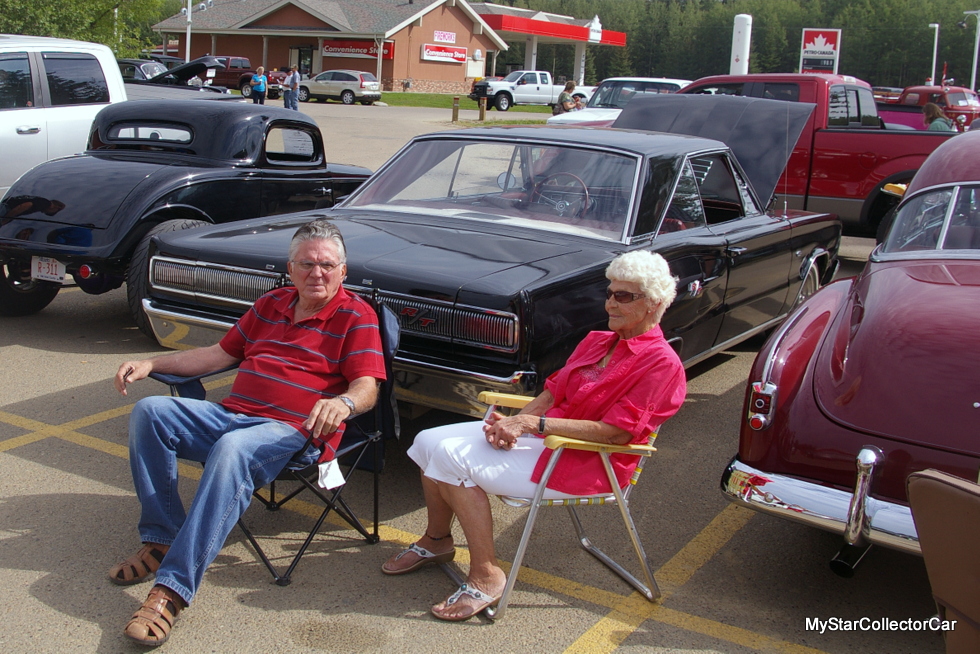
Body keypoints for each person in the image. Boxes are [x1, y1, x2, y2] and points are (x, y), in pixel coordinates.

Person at [109, 219, 386, 646]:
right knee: (151, 411)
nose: (318, 273)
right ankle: (163, 536)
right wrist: (152, 364)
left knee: (233, 448)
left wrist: (343, 403)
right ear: (289, 269)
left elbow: (367, 386)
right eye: (307, 264)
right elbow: (216, 356)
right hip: (235, 416)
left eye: (328, 265)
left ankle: (170, 591)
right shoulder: (270, 304)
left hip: (293, 432)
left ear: (343, 271)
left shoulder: (356, 316)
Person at [382, 250, 687, 621]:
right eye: (609, 293)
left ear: (653, 303)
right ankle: (438, 541)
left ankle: (487, 575)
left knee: (451, 457)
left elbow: (617, 433)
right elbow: (551, 392)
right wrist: (513, 426)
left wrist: (530, 426)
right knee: (427, 442)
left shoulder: (661, 364)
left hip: (587, 462)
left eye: (623, 296)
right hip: (546, 442)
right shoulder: (597, 340)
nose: (610, 302)